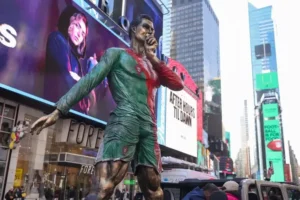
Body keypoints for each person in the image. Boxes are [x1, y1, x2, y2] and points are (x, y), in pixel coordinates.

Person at [31, 14, 184, 200]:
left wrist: (153, 58)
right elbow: (89, 81)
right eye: (145, 27)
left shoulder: (154, 66)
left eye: (152, 30)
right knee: (105, 186)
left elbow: (178, 84)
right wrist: (59, 109)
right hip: (124, 119)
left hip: (148, 126)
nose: (149, 32)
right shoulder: (116, 55)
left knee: (153, 188)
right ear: (134, 30)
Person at [44, 5, 96, 114]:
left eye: (83, 34)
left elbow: (88, 104)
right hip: (53, 110)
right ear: (69, 22)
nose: (79, 34)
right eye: (77, 26)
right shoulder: (57, 39)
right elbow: (67, 85)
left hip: (68, 114)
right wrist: (81, 83)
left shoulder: (76, 61)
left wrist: (78, 79)